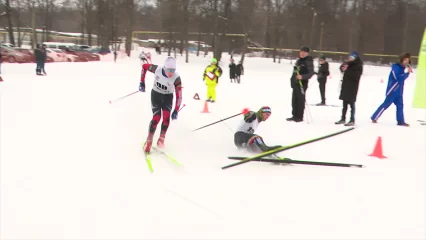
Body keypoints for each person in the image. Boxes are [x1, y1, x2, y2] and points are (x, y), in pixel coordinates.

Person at [139, 56, 183, 153]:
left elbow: (179, 95)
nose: (171, 73)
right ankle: (149, 141)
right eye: (169, 70)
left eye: (173, 70)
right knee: (157, 117)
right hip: (156, 95)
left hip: (168, 97)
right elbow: (144, 66)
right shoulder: (157, 69)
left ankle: (161, 139)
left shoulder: (176, 78)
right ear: (164, 68)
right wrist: (142, 82)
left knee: (166, 119)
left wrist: (176, 109)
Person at [370, 53, 412, 126]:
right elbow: (399, 78)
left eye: (408, 60)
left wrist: (407, 73)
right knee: (386, 104)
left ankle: (400, 121)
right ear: (402, 60)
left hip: (399, 91)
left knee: (400, 106)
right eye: (405, 60)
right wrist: (407, 73)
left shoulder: (402, 69)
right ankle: (374, 117)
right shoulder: (395, 67)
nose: (406, 62)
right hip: (392, 90)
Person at [335, 51, 363, 126]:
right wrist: (342, 68)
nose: (350, 59)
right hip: (345, 85)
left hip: (352, 87)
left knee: (351, 103)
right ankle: (343, 118)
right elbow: (342, 68)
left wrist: (347, 71)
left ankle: (352, 119)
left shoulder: (358, 65)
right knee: (344, 103)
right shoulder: (348, 63)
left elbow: (356, 76)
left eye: (352, 57)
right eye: (350, 57)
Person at [286, 46, 314, 122]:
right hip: (295, 83)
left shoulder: (308, 61)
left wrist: (302, 76)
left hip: (302, 83)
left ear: (307, 53)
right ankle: (294, 115)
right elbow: (295, 72)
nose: (302, 53)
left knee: (300, 100)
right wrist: (292, 81)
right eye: (301, 51)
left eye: (304, 52)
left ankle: (299, 116)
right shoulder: (299, 60)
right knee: (294, 100)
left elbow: (311, 73)